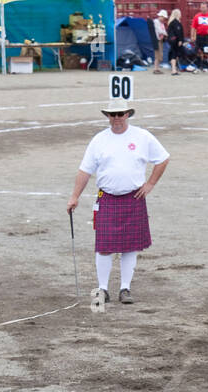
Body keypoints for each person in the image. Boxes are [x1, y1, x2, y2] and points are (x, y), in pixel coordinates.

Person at [67, 100, 170, 305]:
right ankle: (103, 289)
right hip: (107, 198)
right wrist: (75, 196)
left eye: (120, 114)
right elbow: (85, 170)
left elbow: (163, 159)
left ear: (127, 115)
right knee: (104, 246)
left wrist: (150, 184)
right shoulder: (99, 140)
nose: (116, 119)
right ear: (107, 116)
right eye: (112, 115)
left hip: (133, 197)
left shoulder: (142, 136)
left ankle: (125, 288)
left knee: (130, 247)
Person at [191, 5, 208, 71]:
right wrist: (192, 36)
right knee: (199, 51)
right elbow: (193, 27)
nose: (203, 9)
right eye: (201, 7)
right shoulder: (197, 16)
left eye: (204, 7)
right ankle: (199, 66)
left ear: (207, 8)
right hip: (199, 36)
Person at [166, 10, 185, 75]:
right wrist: (180, 40)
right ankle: (174, 69)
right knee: (174, 54)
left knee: (174, 54)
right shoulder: (176, 23)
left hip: (172, 41)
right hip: (176, 41)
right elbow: (178, 32)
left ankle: (174, 68)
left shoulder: (171, 22)